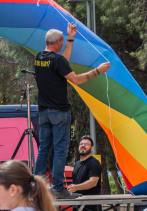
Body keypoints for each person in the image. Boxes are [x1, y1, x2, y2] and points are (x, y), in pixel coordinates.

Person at [32, 22, 110, 198]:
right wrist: (98, 71)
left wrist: (71, 38)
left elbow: (62, 62)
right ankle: (58, 189)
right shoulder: (57, 60)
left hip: (43, 112)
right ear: (58, 42)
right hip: (59, 111)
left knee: (44, 149)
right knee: (60, 150)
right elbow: (75, 80)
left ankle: (38, 186)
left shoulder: (39, 58)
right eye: (62, 42)